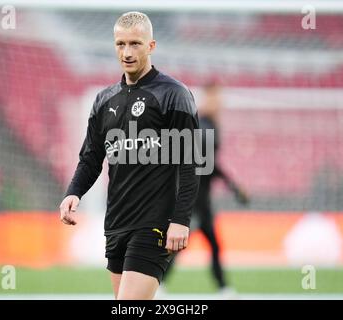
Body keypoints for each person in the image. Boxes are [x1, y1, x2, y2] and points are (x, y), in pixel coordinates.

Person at [59, 11, 200, 300]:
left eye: (135, 43)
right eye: (120, 44)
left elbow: (190, 162)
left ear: (151, 46)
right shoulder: (104, 99)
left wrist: (181, 220)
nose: (126, 52)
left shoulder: (174, 95)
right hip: (116, 223)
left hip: (154, 223)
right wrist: (74, 192)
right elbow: (91, 156)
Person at [161, 82, 250, 297]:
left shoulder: (209, 125)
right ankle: (221, 287)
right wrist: (233, 186)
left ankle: (220, 287)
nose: (219, 102)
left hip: (200, 195)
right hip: (195, 196)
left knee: (200, 243)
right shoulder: (204, 126)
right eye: (215, 98)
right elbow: (202, 163)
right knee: (193, 242)